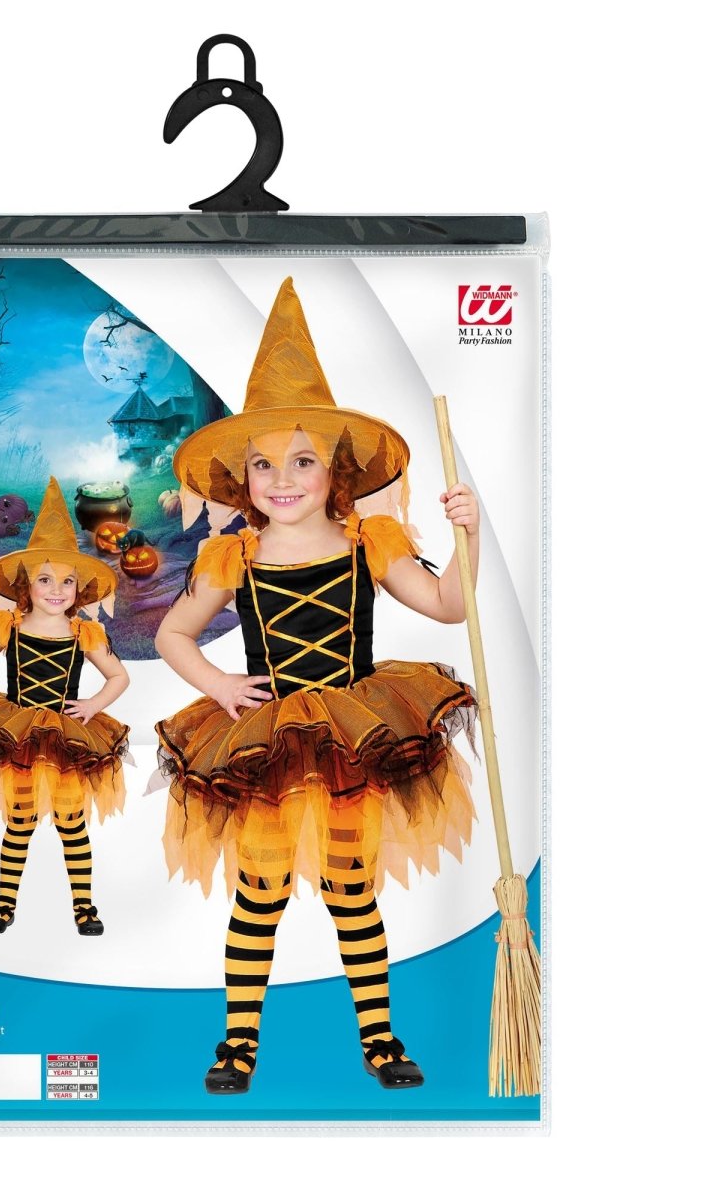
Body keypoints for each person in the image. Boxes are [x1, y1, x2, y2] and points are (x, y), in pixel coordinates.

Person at [154, 278, 479, 1093]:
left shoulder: (372, 539)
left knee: (351, 892)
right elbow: (171, 634)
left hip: (355, 739)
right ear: (243, 478)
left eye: (303, 460)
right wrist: (220, 685)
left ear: (336, 470)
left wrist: (468, 537)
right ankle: (238, 1043)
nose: (283, 478)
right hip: (265, 745)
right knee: (258, 895)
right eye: (264, 464)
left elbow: (449, 606)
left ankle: (380, 1038)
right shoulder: (234, 554)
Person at [0, 476, 129, 937]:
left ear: (79, 588)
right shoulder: (7, 624)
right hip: (17, 736)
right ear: (26, 584)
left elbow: (119, 677)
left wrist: (92, 705)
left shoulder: (84, 632)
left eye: (67, 581)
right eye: (45, 579)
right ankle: (4, 904)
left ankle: (84, 906)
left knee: (72, 824)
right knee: (19, 823)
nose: (56, 589)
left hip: (67, 739)